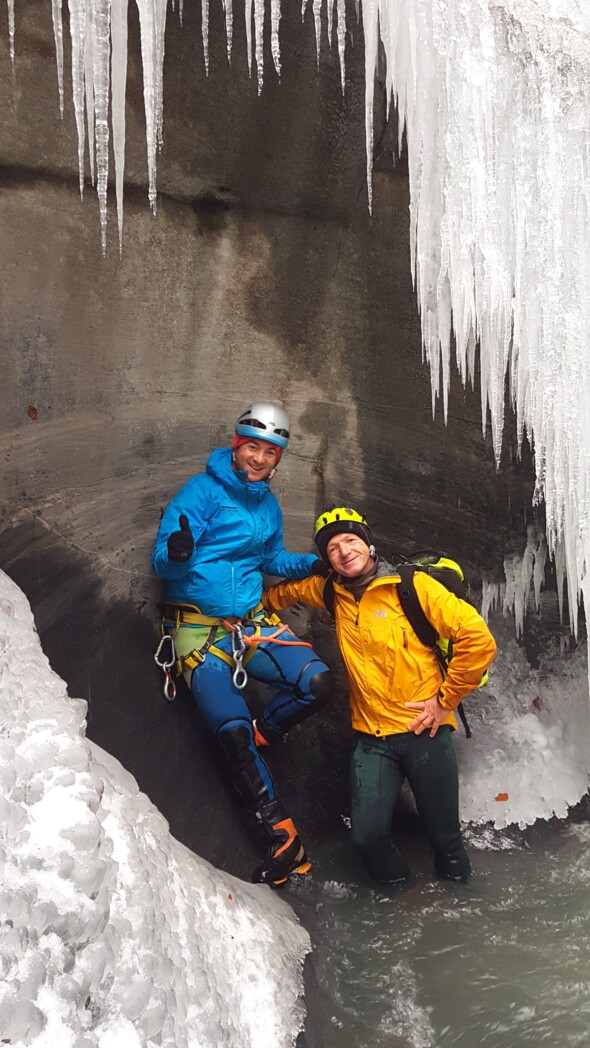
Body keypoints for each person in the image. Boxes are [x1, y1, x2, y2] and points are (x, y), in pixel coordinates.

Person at [262, 506, 497, 885]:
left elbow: (478, 639)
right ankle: (405, 904)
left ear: (369, 544)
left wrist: (444, 702)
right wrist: (238, 612)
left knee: (446, 840)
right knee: (367, 838)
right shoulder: (330, 591)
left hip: (426, 733)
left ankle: (463, 911)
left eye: (351, 540)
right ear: (326, 559)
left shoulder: (412, 586)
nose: (343, 550)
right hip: (372, 739)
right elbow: (280, 594)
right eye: (333, 547)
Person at [152, 404, 333, 886]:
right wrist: (177, 552)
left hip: (252, 624)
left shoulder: (267, 505)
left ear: (277, 460)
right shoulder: (202, 492)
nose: (258, 458)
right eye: (251, 447)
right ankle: (282, 836)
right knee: (228, 728)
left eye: (268, 452)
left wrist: (312, 566)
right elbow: (162, 564)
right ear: (236, 446)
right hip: (199, 632)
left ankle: (264, 734)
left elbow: (272, 558)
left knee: (316, 682)